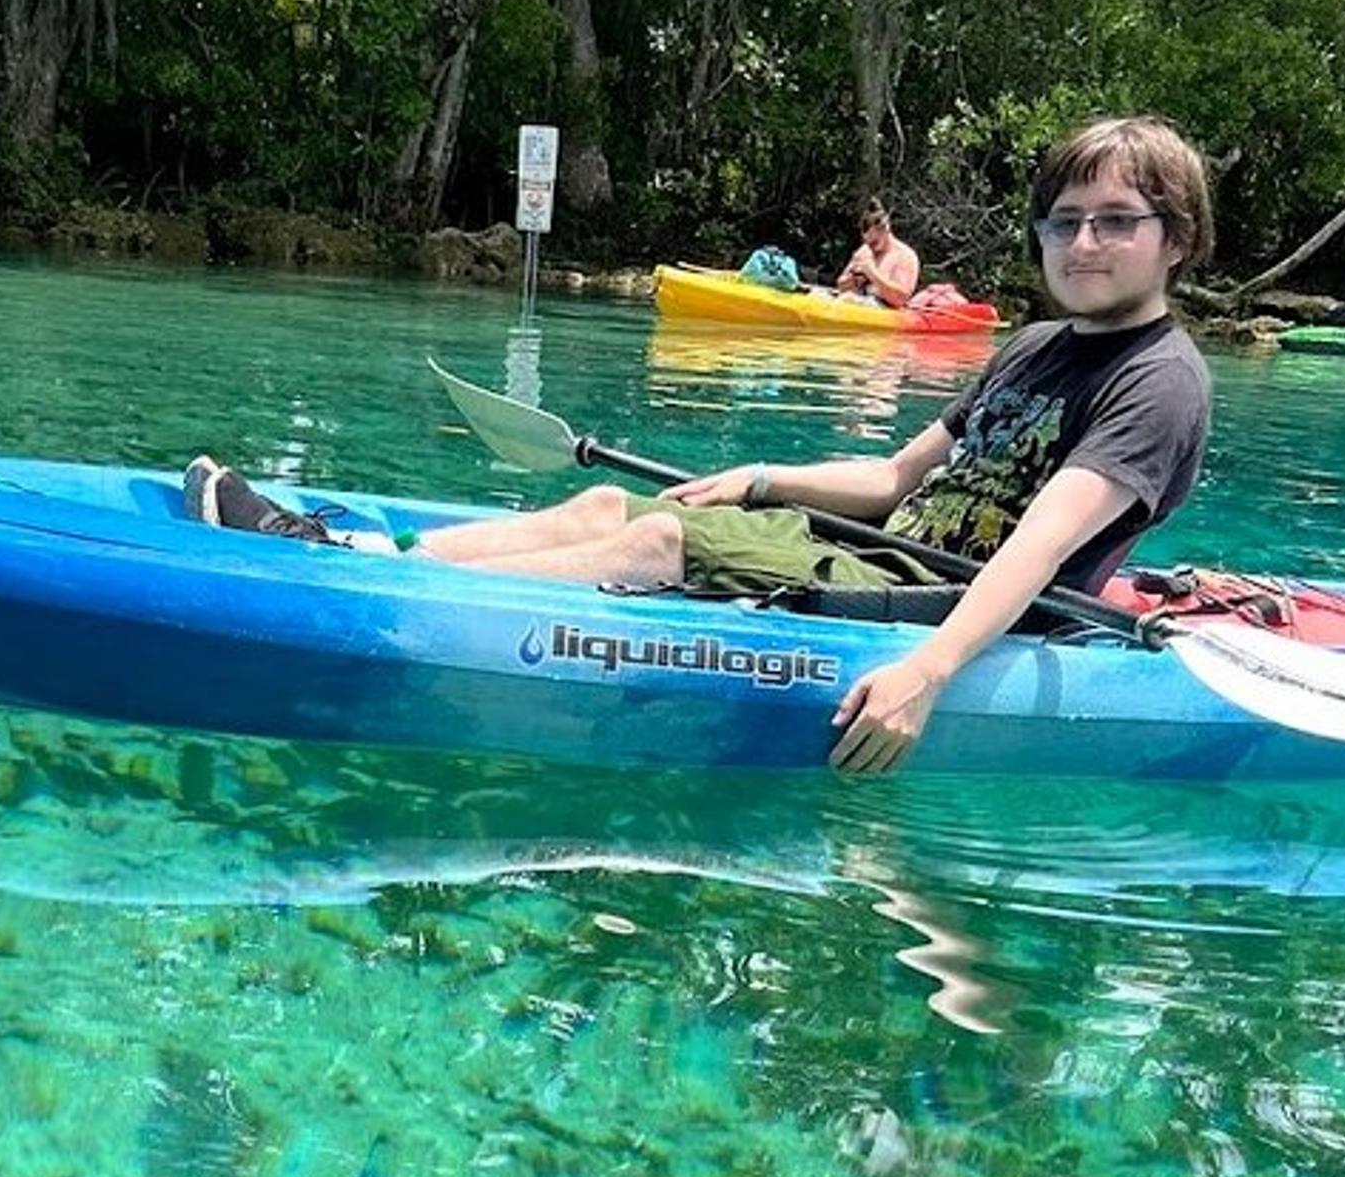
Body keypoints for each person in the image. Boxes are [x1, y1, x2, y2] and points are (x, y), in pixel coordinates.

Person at [181, 114, 1215, 775]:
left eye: (1115, 221)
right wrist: (761, 480)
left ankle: (363, 611)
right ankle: (358, 559)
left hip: (949, 596)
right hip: (882, 552)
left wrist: (929, 674)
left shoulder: (1156, 379)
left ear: (1174, 238)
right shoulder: (1032, 346)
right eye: (1063, 220)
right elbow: (895, 477)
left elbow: (1035, 552)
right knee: (609, 510)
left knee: (662, 546)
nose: (1082, 243)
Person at [832, 198, 920, 308]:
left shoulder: (905, 256)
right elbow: (840, 284)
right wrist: (853, 281)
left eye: (874, 242)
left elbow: (900, 298)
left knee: (847, 300)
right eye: (867, 243)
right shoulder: (864, 251)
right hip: (857, 301)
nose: (870, 247)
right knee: (819, 294)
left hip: (885, 310)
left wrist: (872, 273)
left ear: (886, 230)